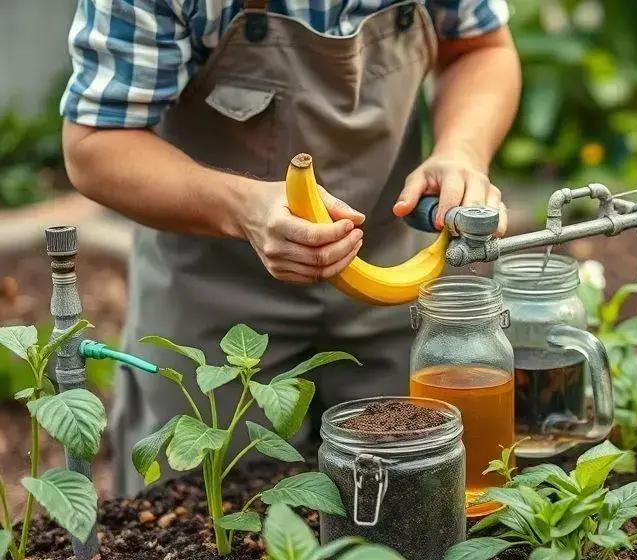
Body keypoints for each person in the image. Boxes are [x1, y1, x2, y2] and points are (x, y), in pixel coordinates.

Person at [60, 0, 520, 496]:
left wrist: (462, 150)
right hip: (214, 296)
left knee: (420, 504)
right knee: (209, 514)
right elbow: (95, 143)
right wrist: (243, 208)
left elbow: (480, 48)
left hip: (397, 286)